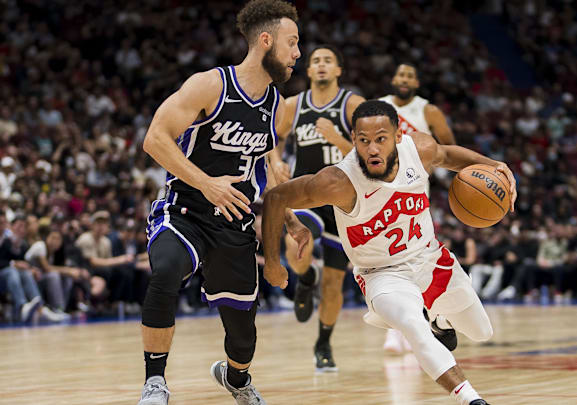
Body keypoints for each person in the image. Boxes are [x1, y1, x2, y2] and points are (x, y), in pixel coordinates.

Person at [262, 100, 518, 405]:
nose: (372, 149)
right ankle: (471, 399)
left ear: (397, 136)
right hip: (382, 275)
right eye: (363, 140)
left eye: (381, 139)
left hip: (430, 259)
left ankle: (440, 321)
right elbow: (277, 197)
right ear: (353, 139)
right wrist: (273, 261)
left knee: (481, 332)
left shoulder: (418, 150)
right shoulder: (338, 181)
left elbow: (448, 155)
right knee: (412, 325)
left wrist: (494, 166)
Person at [136, 1, 309, 404]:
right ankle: (154, 382)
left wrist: (291, 221)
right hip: (185, 211)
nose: (297, 53)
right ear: (265, 41)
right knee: (164, 272)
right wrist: (207, 183)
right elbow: (155, 140)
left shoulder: (275, 107)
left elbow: (260, 178)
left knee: (243, 336)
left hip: (234, 224)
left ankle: (236, 378)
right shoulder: (210, 85)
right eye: (292, 43)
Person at [272, 44, 365, 371]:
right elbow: (271, 138)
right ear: (308, 71)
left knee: (335, 284)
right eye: (316, 61)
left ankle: (323, 341)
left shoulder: (353, 105)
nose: (322, 65)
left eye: (328, 60)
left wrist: (338, 139)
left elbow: (374, 153)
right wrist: (277, 161)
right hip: (307, 194)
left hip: (344, 202)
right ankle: (306, 276)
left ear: (338, 70)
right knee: (296, 243)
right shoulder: (293, 106)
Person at [379, 62, 457, 353]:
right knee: (385, 262)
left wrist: (433, 163)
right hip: (381, 192)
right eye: (400, 74)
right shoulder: (380, 106)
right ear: (393, 78)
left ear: (417, 82)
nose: (404, 79)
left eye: (410, 75)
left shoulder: (428, 111)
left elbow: (447, 146)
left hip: (414, 195)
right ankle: (393, 331)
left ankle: (418, 325)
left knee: (416, 263)